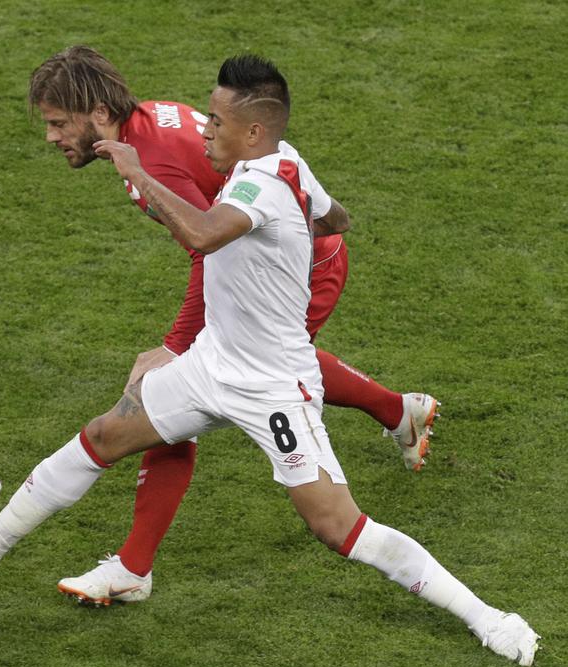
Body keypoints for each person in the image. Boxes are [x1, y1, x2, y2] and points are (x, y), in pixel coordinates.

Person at [0, 55, 539, 665]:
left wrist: (148, 175)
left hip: (271, 386)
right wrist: (279, 253)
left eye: (215, 122)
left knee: (337, 527)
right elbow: (336, 217)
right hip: (212, 362)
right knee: (106, 434)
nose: (204, 130)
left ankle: (489, 617)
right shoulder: (287, 163)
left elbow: (200, 237)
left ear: (254, 132)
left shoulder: (257, 182)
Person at [25, 46, 437, 605]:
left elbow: (207, 246)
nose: (51, 137)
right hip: (288, 250)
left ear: (98, 114)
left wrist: (174, 346)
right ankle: (399, 412)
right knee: (231, 375)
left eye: (56, 123)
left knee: (212, 387)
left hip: (303, 267)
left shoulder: (154, 161)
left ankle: (133, 567)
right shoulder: (149, 120)